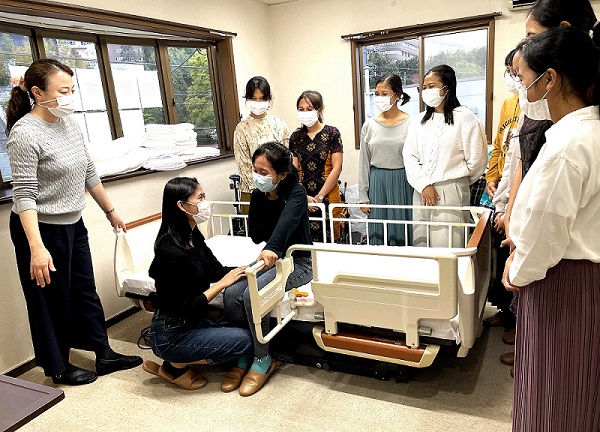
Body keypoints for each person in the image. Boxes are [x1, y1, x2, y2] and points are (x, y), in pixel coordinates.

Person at [5, 59, 142, 386]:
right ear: (38, 92)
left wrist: (110, 211)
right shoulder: (24, 133)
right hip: (39, 229)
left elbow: (89, 171)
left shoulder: (69, 124)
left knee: (84, 291)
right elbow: (24, 195)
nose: (70, 97)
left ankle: (103, 353)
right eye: (63, 91)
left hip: (72, 223)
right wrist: (36, 248)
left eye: (72, 90)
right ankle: (58, 367)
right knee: (50, 299)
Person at [502, 26, 600, 431]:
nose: (522, 89)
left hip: (560, 282)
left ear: (550, 80)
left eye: (523, 78)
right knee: (578, 389)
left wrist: (517, 270)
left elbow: (547, 233)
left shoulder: (566, 147)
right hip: (579, 279)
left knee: (553, 392)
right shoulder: (585, 132)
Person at [142, 177, 253, 391]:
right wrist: (222, 284)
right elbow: (188, 305)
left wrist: (250, 269)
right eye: (200, 198)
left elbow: (217, 270)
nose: (205, 203)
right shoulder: (169, 250)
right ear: (182, 206)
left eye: (204, 196)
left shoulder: (192, 235)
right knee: (245, 342)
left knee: (242, 336)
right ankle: (175, 365)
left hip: (191, 322)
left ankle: (176, 362)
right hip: (170, 332)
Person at [224, 142, 313, 396]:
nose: (257, 176)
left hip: (298, 261)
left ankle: (262, 358)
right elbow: (255, 234)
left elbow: (286, 224)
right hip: (269, 258)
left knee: (253, 295)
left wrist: (273, 246)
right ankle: (242, 353)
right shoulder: (258, 196)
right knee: (231, 293)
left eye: (264, 172)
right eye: (255, 170)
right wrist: (266, 207)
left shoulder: (296, 192)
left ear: (281, 174)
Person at [403, 65, 487, 248]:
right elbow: (409, 156)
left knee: (448, 246)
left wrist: (456, 181)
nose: (426, 91)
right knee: (421, 242)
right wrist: (424, 184)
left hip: (450, 191)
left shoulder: (466, 118)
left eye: (431, 86)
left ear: (446, 88)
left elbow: (478, 161)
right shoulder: (418, 121)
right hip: (421, 190)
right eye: (423, 87)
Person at [358, 74, 413, 245]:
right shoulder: (369, 125)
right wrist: (363, 195)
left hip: (404, 181)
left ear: (397, 95)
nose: (379, 98)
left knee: (403, 230)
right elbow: (364, 162)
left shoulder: (412, 123)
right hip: (377, 182)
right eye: (376, 93)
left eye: (384, 93)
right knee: (378, 232)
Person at [289, 90, 343, 242]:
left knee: (330, 240)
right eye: (301, 109)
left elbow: (337, 168)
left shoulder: (332, 133)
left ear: (320, 110)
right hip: (303, 197)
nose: (305, 113)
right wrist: (304, 197)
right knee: (305, 241)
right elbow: (293, 171)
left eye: (309, 109)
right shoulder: (295, 137)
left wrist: (320, 197)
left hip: (328, 195)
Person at [233, 76, 290, 211]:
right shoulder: (242, 128)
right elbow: (243, 164)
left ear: (269, 98)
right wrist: (261, 186)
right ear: (247, 99)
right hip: (252, 191)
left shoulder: (279, 123)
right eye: (254, 98)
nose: (258, 102)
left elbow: (287, 157)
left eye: (262, 98)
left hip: (279, 190)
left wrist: (275, 184)